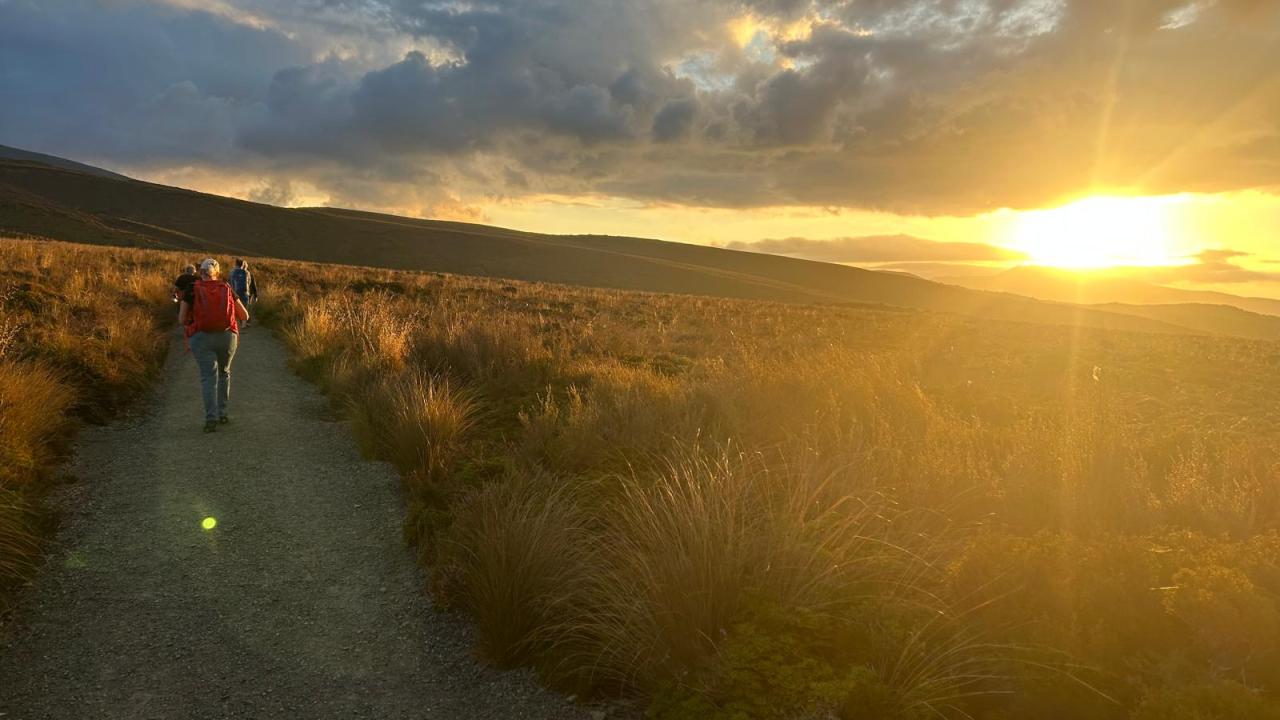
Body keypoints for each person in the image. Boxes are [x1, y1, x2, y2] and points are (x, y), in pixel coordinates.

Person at [180, 258, 249, 433]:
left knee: (208, 378)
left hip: (201, 338)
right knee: (224, 373)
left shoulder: (191, 290)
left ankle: (210, 420)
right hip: (227, 337)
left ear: (200, 272)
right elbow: (245, 315)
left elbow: (181, 319)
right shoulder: (226, 288)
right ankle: (223, 413)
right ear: (216, 273)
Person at [229, 258, 257, 325]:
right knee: (245, 308)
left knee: (235, 308)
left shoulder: (232, 272)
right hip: (245, 293)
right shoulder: (247, 272)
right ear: (243, 264)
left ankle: (234, 322)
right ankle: (244, 323)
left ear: (236, 264)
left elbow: (229, 283)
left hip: (235, 293)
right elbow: (249, 283)